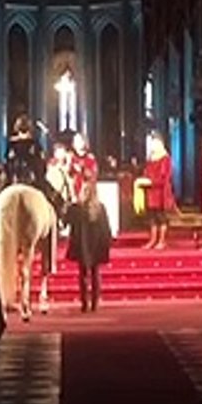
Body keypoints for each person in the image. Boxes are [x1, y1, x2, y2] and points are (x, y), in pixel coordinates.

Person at [65, 178, 112, 312]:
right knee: (95, 273)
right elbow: (106, 228)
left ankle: (84, 303)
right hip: (95, 244)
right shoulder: (100, 208)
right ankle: (94, 303)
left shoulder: (77, 208)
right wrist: (106, 243)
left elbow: (66, 221)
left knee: (83, 274)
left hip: (82, 245)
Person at [140, 133, 176, 250]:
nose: (153, 146)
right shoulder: (150, 159)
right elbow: (146, 172)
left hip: (161, 192)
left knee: (161, 216)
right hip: (151, 192)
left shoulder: (165, 159)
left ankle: (162, 240)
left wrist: (151, 182)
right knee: (152, 217)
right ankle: (153, 239)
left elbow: (165, 177)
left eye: (155, 143)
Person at [5, 115, 45, 186]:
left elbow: (7, 158)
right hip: (32, 177)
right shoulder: (34, 142)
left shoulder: (12, 142)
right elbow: (41, 159)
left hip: (15, 176)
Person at [69, 133, 98, 204]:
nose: (77, 143)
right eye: (75, 141)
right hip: (73, 196)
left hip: (87, 195)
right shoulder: (71, 158)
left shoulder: (90, 158)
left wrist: (82, 169)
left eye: (79, 140)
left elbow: (93, 176)